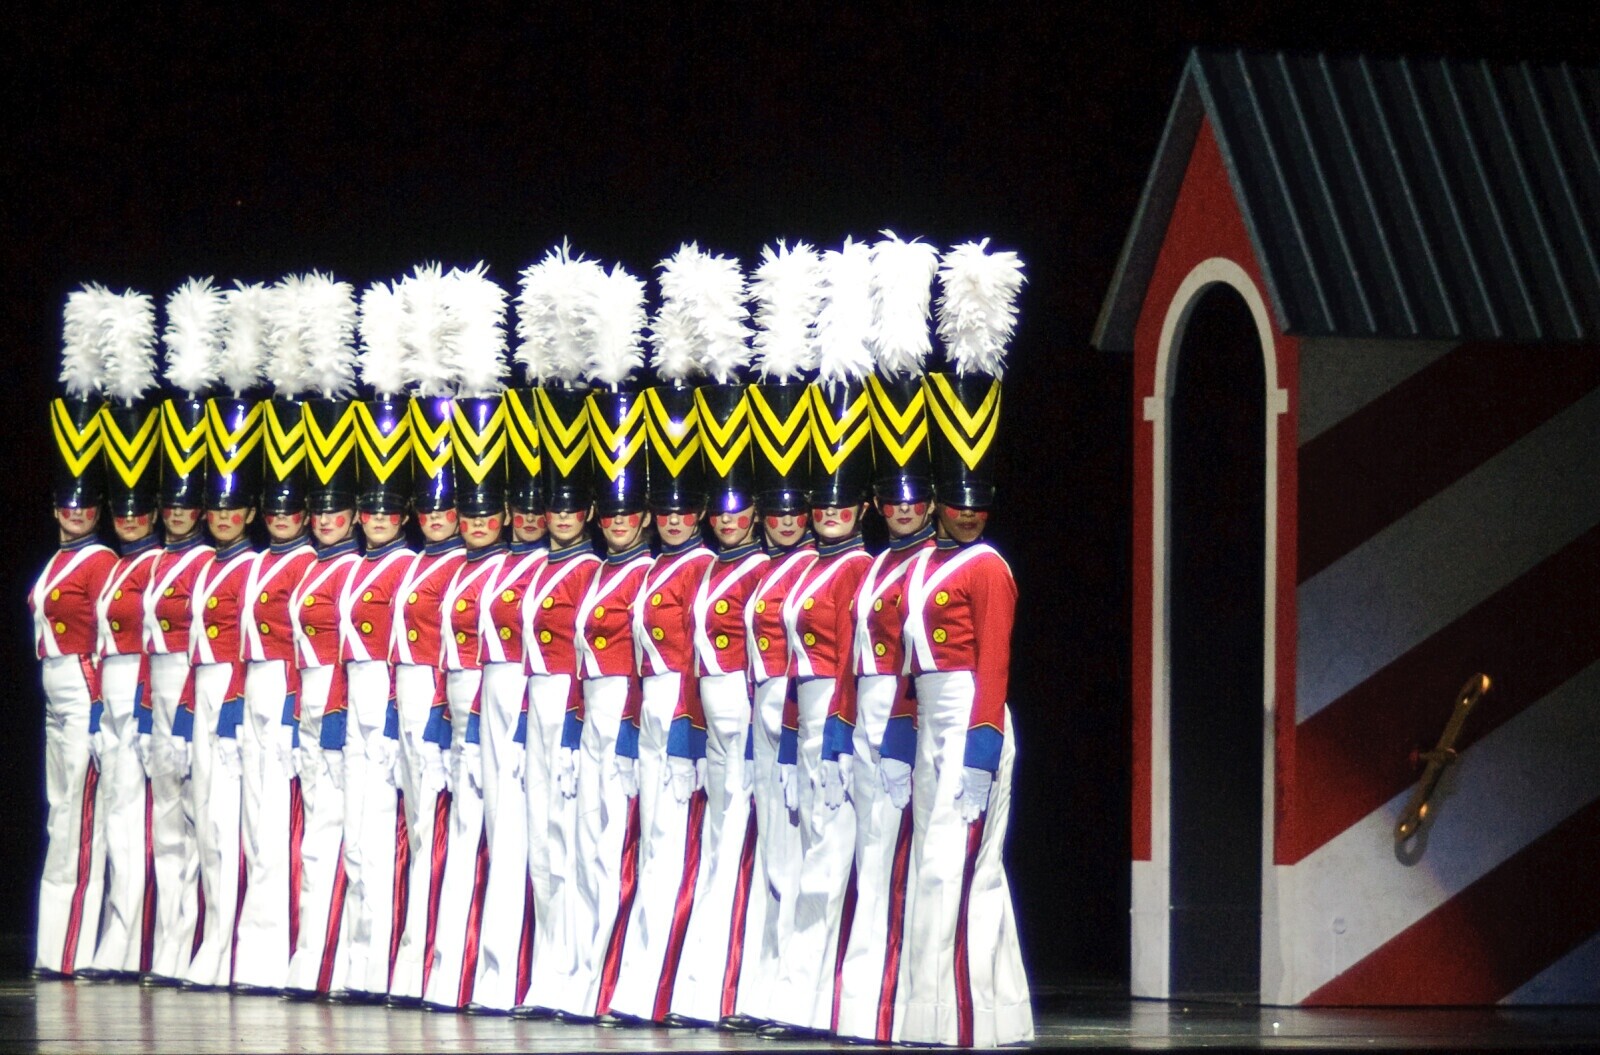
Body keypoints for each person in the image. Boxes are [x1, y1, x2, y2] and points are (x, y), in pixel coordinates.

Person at [891, 239, 1031, 1047]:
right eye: (959, 498)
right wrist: (902, 728)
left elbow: (994, 662)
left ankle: (961, 1020)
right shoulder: (921, 564)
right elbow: (907, 659)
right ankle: (983, 1011)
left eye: (980, 499)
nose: (969, 511)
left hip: (975, 721)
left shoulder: (989, 565)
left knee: (958, 865)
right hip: (931, 728)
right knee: (945, 864)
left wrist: (980, 744)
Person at [761, 368, 874, 1040]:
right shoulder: (811, 568)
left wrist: (836, 734)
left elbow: (852, 663)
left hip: (839, 724)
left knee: (828, 862)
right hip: (803, 724)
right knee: (800, 855)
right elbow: (796, 662)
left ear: (861, 507)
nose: (830, 512)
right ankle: (799, 993)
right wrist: (787, 739)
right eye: (821, 503)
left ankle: (808, 999)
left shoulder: (861, 569)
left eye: (842, 503)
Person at [423, 392, 511, 1012]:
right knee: (454, 837)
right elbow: (437, 654)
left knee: (500, 840)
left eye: (487, 514)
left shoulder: (510, 571)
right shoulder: (450, 570)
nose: (476, 524)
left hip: (496, 720)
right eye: (468, 514)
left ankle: (495, 977)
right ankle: (448, 975)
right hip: (454, 722)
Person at [512, 382, 598, 1017]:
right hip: (534, 710)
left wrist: (570, 729)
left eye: (572, 508)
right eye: (553, 507)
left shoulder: (593, 571)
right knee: (540, 844)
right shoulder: (534, 569)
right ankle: (546, 974)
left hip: (574, 712)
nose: (560, 516)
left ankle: (574, 972)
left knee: (572, 841)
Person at [34, 361, 118, 978]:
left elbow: (107, 637)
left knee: (78, 822)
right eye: (68, 501)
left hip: (84, 689)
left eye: (86, 503)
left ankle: (70, 952)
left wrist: (95, 711)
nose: (76, 510)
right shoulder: (57, 558)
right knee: (58, 811)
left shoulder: (101, 559)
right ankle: (56, 948)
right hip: (53, 695)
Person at [85, 347, 163, 980]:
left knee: (155, 825)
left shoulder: (164, 565)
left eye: (141, 510)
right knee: (117, 819)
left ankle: (144, 944)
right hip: (112, 706)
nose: (130, 519)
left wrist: (146, 706)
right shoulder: (112, 566)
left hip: (150, 704)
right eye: (122, 510)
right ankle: (119, 943)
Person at [181, 388, 262, 990]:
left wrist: (231, 708)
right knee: (205, 822)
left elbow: (246, 641)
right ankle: (211, 946)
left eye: (236, 507)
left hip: (241, 697)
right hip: (202, 696)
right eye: (217, 507)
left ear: (250, 513)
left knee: (240, 826)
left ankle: (237, 950)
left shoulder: (256, 566)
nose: (224, 516)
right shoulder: (200, 566)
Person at [386, 393, 465, 1005]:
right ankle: (410, 964)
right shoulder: (409, 565)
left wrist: (437, 717)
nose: (436, 516)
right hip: (404, 710)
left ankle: (440, 965)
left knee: (441, 834)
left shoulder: (468, 566)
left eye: (448, 506)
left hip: (445, 711)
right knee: (414, 834)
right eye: (427, 507)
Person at [336, 390, 413, 1002]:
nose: (378, 518)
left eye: (389, 509)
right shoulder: (350, 568)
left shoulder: (410, 567)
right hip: (350, 710)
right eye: (371, 509)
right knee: (355, 839)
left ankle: (385, 967)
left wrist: (391, 719)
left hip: (391, 710)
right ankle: (357, 966)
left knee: (388, 837)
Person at [469, 431, 547, 1014]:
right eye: (519, 506)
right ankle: (498, 975)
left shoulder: (563, 568)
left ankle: (530, 973)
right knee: (500, 836)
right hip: (487, 710)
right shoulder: (495, 566)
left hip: (536, 709)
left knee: (540, 842)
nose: (531, 517)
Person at [141, 380, 213, 986]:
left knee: (203, 824)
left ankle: (199, 944)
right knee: (163, 826)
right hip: (155, 699)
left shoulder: (210, 565)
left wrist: (187, 714)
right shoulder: (146, 566)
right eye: (171, 502)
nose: (179, 512)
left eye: (189, 503)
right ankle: (165, 948)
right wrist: (147, 713)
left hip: (201, 697)